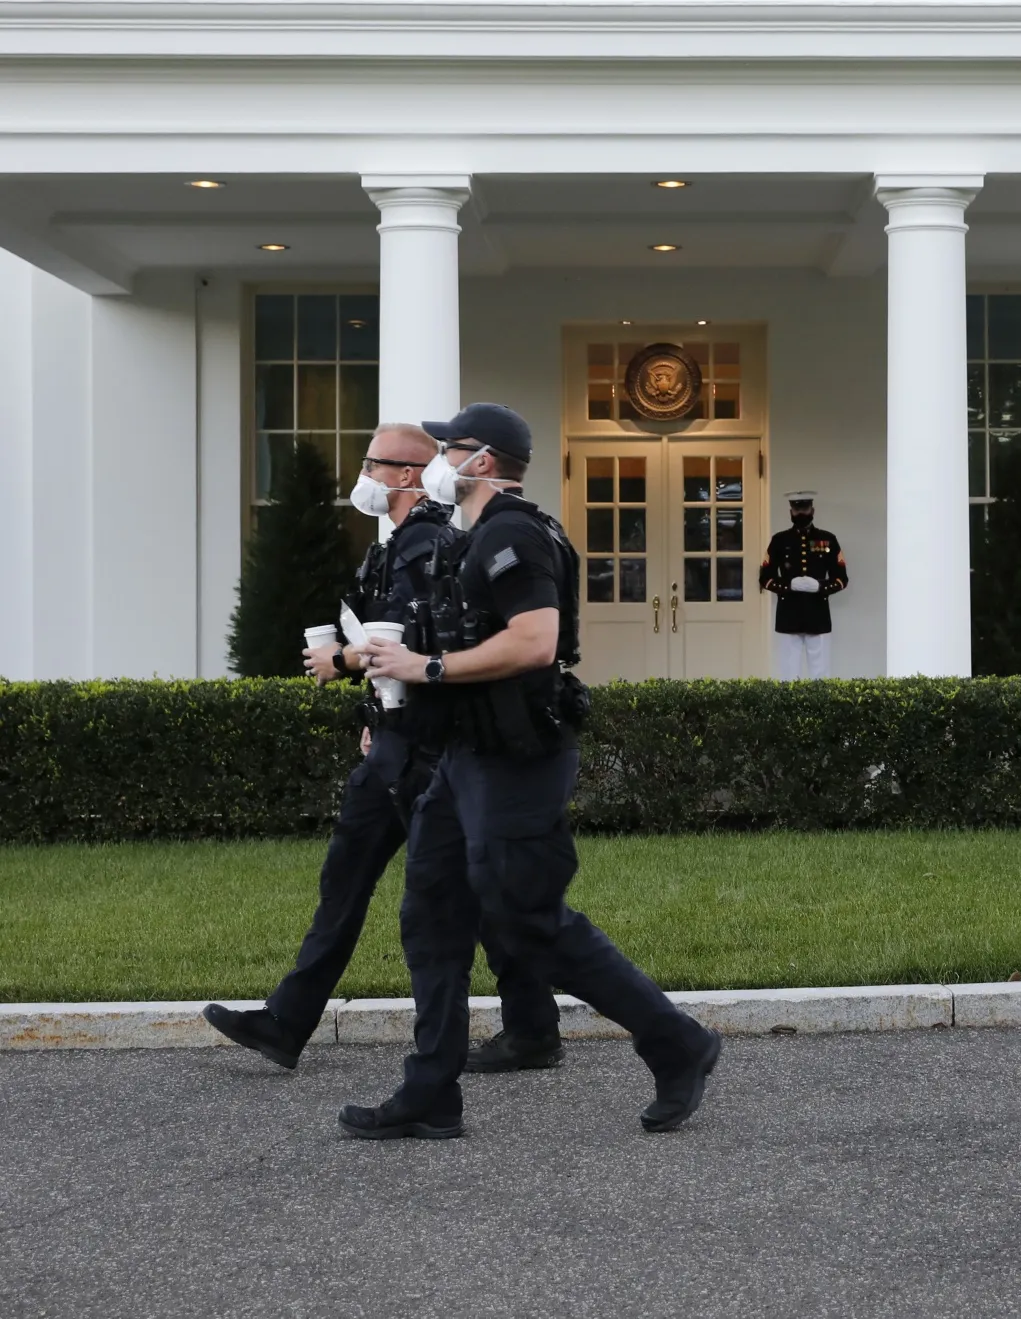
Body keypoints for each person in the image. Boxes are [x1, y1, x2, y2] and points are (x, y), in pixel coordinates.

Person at [342, 402, 721, 1141]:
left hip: (517, 758)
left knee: (527, 919)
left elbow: (536, 640)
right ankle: (429, 1093)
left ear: (483, 462)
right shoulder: (468, 536)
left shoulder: (513, 532)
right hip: (464, 755)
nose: (435, 462)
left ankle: (677, 1043)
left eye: (448, 449)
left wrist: (431, 665)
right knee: (432, 915)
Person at [202, 423, 562, 1073]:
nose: (360, 475)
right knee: (348, 879)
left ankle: (527, 1028)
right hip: (394, 743)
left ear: (403, 475)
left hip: (421, 750)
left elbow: (406, 642)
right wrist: (374, 711)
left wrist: (337, 661)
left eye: (371, 463)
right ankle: (287, 1020)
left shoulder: (423, 543)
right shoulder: (400, 544)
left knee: (463, 891)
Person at [759, 490, 848, 681]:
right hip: (788, 615)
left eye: (805, 509)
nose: (801, 513)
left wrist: (820, 586)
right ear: (790, 512)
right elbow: (765, 578)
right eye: (796, 509)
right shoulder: (779, 541)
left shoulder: (827, 539)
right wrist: (789, 585)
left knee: (821, 676)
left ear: (813, 510)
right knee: (788, 675)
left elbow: (841, 578)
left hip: (818, 614)